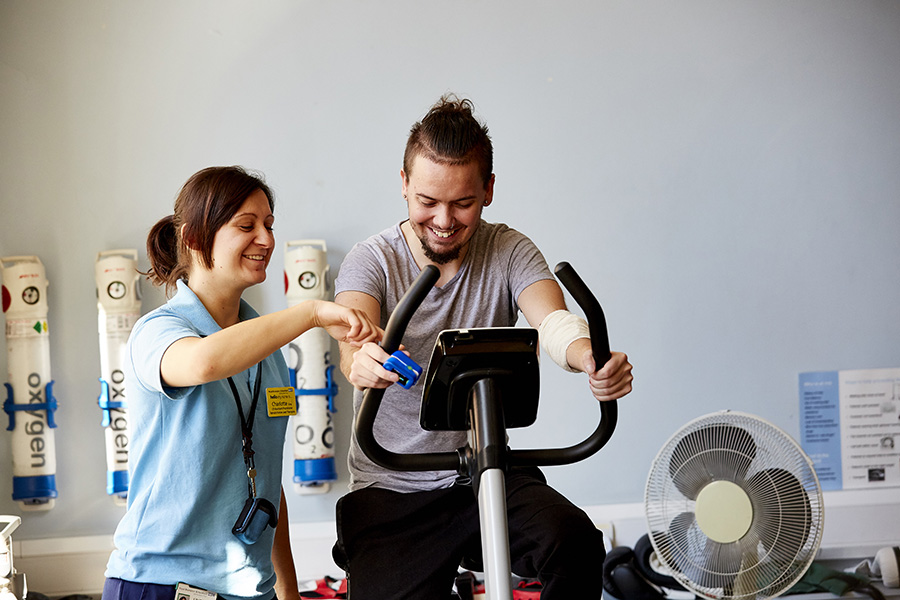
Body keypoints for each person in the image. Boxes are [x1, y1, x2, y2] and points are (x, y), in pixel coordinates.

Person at [332, 95, 634, 599]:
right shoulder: (373, 260)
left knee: (575, 543)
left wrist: (591, 359)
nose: (444, 220)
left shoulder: (508, 249)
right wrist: (360, 359)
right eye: (427, 201)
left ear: (488, 190)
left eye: (463, 203)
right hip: (395, 485)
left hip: (481, 470)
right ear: (403, 184)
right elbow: (353, 338)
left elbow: (554, 323)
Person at [103, 166, 382, 600]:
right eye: (246, 226)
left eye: (269, 225)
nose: (267, 240)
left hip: (251, 590)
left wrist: (287, 591)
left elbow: (267, 478)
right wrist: (309, 314)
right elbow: (202, 363)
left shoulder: (269, 353)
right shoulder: (157, 332)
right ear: (194, 238)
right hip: (160, 584)